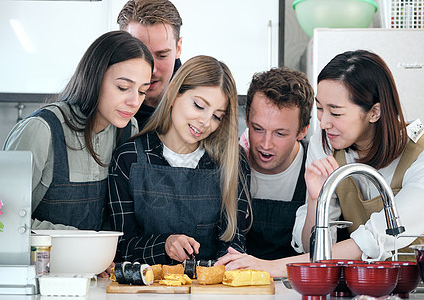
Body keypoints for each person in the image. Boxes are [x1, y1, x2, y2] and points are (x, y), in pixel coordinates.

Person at [216, 50, 424, 277]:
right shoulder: (325, 145)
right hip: (366, 283)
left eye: (335, 112)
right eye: (320, 109)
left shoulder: (419, 155)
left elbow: (376, 237)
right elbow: (314, 248)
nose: (324, 123)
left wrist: (273, 267)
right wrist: (316, 202)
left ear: (375, 112)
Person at [3, 30, 154, 231]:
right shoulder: (41, 130)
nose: (134, 101)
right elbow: (0, 218)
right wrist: (80, 240)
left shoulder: (128, 129)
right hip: (41, 260)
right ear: (94, 78)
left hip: (97, 261)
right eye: (123, 87)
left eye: (143, 91)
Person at [108, 55, 251, 265]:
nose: (205, 122)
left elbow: (233, 243)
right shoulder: (128, 158)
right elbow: (122, 247)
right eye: (199, 106)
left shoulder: (232, 162)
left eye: (217, 116)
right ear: (174, 93)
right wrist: (164, 245)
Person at [238, 67, 313, 260]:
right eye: (258, 128)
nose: (265, 144)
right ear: (247, 119)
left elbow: (315, 251)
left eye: (280, 133)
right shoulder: (230, 162)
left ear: (302, 131)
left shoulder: (315, 166)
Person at [117, 0, 183, 129]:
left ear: (178, 49)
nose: (151, 70)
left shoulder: (201, 109)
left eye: (162, 56)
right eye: (138, 54)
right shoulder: (101, 105)